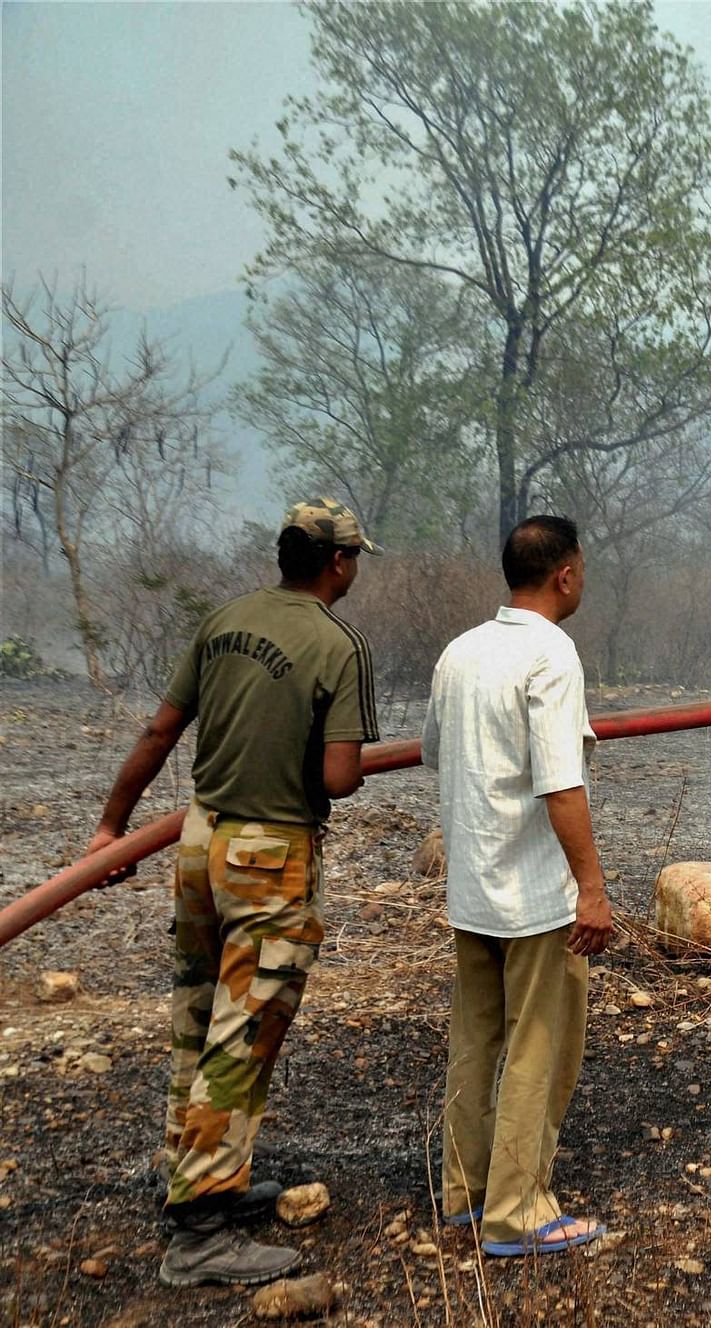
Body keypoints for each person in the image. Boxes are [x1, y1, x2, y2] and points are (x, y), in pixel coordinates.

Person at [88, 498, 381, 1287]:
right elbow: (339, 779)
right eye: (355, 559)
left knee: (196, 1015)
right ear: (337, 564)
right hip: (269, 853)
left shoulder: (223, 620)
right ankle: (200, 1231)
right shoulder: (337, 645)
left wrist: (109, 829)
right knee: (243, 1030)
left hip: (199, 840)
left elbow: (159, 732)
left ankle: (192, 1172)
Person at [421, 515, 613, 1258]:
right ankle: (518, 1210)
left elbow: (437, 752)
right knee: (540, 1044)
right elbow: (561, 783)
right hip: (534, 898)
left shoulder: (461, 652)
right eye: (582, 570)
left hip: (473, 889)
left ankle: (465, 1194)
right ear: (565, 574)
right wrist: (590, 889)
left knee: (475, 1040)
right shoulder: (552, 654)